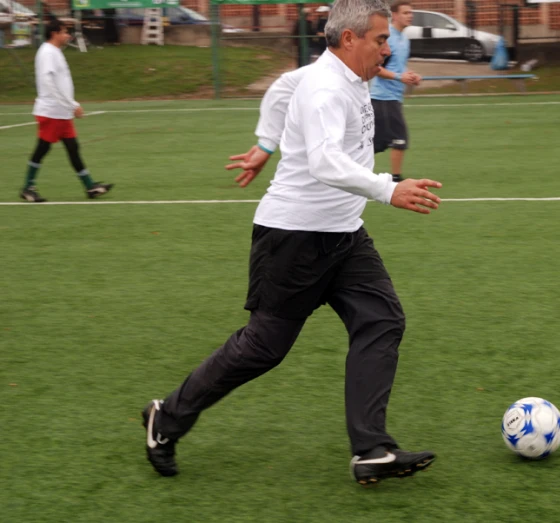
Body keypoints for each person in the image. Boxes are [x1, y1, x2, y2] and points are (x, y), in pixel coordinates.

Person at [142, 0, 441, 485]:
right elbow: (323, 162)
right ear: (348, 39)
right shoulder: (325, 87)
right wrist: (389, 188)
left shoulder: (344, 75)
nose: (387, 50)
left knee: (382, 320)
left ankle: (371, 449)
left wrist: (265, 148)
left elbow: (284, 87)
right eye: (380, 40)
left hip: (343, 234)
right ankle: (167, 416)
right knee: (264, 347)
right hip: (295, 237)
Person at [19, 20, 112, 203]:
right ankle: (28, 187)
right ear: (54, 33)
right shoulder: (47, 52)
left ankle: (89, 186)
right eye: (64, 32)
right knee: (42, 149)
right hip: (52, 112)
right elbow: (48, 83)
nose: (68, 35)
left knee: (72, 148)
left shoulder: (54, 52)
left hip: (60, 112)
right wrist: (71, 105)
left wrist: (69, 105)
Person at [370, 0, 420, 182]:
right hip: (383, 98)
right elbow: (375, 68)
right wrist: (400, 77)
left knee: (376, 144)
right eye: (406, 13)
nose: (410, 15)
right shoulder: (387, 37)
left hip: (394, 98)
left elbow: (398, 67)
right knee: (400, 138)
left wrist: (411, 76)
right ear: (395, 15)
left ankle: (346, 170)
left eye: (411, 12)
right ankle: (396, 179)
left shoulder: (404, 39)